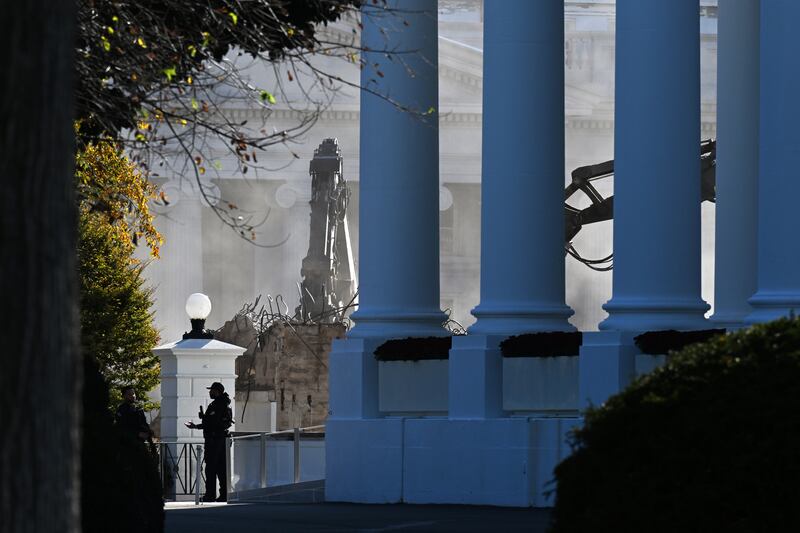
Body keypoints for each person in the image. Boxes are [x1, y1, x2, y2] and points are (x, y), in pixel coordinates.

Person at [185, 382, 233, 502]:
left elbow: (213, 423)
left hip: (214, 440)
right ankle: (223, 495)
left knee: (211, 468)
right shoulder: (222, 403)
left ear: (217, 391)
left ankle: (210, 495)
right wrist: (201, 421)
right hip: (220, 439)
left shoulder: (218, 404)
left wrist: (199, 423)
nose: (210, 392)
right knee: (221, 468)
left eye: (212, 390)